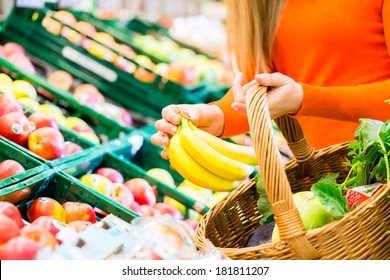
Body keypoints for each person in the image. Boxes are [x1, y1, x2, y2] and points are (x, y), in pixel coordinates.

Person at [151, 0, 390, 160]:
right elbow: (255, 89)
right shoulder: (258, 6)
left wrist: (303, 99)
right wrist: (216, 116)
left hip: (382, 167)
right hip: (333, 184)